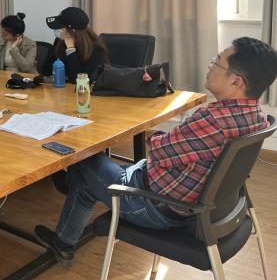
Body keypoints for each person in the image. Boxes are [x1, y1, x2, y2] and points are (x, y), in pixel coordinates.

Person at [34, 37, 277, 265]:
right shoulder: (257, 116)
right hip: (186, 200)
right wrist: (169, 139)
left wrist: (160, 138)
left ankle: (69, 192)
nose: (210, 65)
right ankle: (64, 241)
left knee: (81, 157)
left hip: (151, 204)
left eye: (217, 62)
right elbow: (172, 150)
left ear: (236, 81)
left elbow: (159, 150)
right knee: (85, 180)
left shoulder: (213, 120)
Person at [44, 6, 108, 82]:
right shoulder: (60, 41)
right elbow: (46, 71)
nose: (56, 30)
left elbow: (79, 80)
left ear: (73, 31)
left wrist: (71, 50)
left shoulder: (97, 49)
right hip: (63, 87)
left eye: (60, 27)